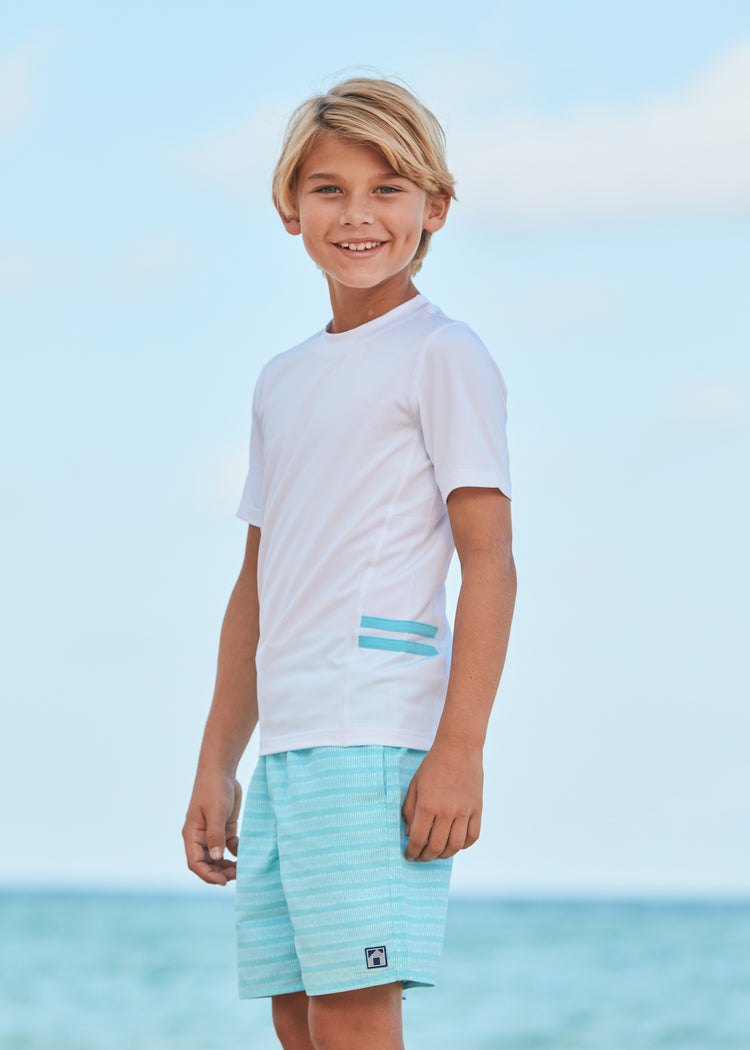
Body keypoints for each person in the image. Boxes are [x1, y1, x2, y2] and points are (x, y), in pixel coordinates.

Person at [182, 76, 517, 1050]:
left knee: (355, 1014)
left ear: (434, 209)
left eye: (389, 189)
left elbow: (490, 563)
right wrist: (218, 762)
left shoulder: (442, 355)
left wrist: (460, 750)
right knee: (297, 1014)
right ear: (290, 209)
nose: (358, 215)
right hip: (289, 743)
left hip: (375, 734)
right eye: (328, 189)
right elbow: (257, 586)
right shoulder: (282, 380)